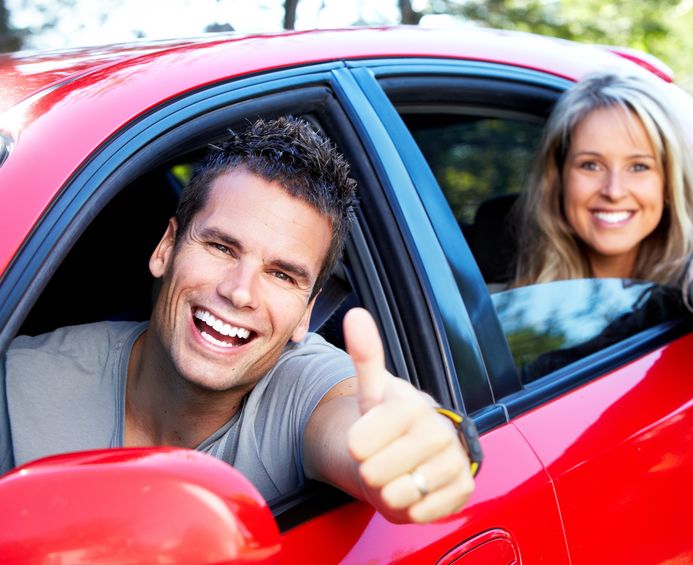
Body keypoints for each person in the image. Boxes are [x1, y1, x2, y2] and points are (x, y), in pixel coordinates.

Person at [0, 116, 477, 524]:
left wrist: (430, 444)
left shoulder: (302, 386)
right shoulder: (21, 380)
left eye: (282, 275)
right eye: (221, 247)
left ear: (306, 314)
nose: (240, 290)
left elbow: (350, 418)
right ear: (166, 248)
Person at [513, 73, 693, 359]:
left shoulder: (687, 274)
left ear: (668, 184)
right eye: (590, 165)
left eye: (638, 167)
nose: (614, 191)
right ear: (559, 178)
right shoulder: (502, 271)